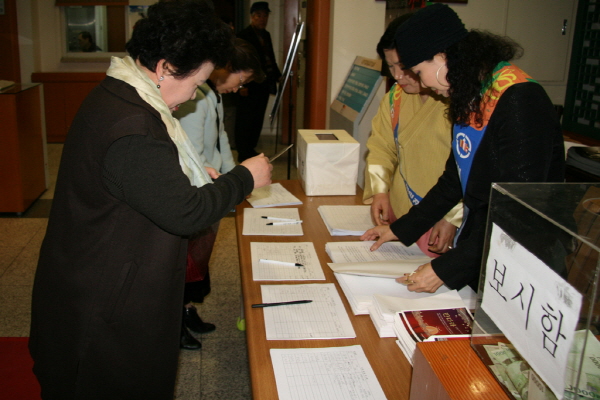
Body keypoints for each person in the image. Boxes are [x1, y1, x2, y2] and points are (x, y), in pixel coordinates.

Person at [29, 2, 272, 399]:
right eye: (197, 84)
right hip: (104, 303)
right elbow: (187, 214)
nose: (195, 96)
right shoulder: (133, 126)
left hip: (97, 276)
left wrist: (191, 179)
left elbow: (145, 185)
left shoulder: (121, 96)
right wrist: (245, 178)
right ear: (164, 68)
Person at [361, 4, 564, 294]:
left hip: (523, 262)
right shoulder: (473, 94)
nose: (424, 84)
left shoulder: (520, 100)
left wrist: (444, 270)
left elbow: (515, 213)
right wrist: (399, 229)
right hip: (483, 248)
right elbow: (453, 180)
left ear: (442, 57)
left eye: (419, 71)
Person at [174, 38, 265, 350]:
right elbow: (194, 152)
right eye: (242, 79)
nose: (241, 87)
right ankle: (175, 321)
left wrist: (234, 174)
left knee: (198, 262)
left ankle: (188, 311)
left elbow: (221, 138)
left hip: (213, 186)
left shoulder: (213, 94)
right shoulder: (195, 97)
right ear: (228, 70)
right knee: (186, 263)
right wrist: (221, 187)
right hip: (199, 190)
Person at [364, 14, 461, 258]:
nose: (397, 75)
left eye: (404, 66)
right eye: (391, 66)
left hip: (441, 219)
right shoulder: (396, 96)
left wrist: (453, 217)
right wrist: (380, 190)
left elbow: (469, 168)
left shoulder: (455, 99)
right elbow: (381, 146)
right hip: (401, 214)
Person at [235, 1, 281, 162]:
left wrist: (278, 75)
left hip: (263, 84)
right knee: (245, 119)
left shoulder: (265, 35)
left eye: (265, 15)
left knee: (257, 118)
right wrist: (241, 85)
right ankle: (243, 151)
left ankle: (250, 148)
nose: (262, 19)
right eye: (258, 15)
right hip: (248, 84)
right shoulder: (243, 35)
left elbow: (270, 59)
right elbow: (239, 62)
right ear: (252, 17)